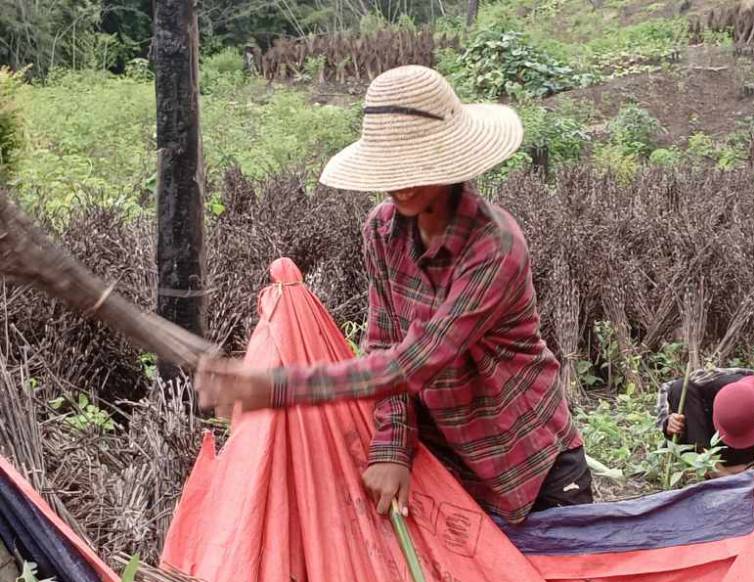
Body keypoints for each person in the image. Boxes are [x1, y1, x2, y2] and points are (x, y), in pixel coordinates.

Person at [195, 66, 591, 524]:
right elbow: (385, 340)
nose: (401, 181)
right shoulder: (382, 230)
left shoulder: (494, 246)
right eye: (391, 166)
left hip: (525, 461)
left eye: (416, 164)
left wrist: (279, 387)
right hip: (447, 467)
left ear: (450, 161)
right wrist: (392, 445)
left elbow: (416, 361)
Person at [656, 368, 754, 475]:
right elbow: (667, 388)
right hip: (714, 451)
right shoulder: (709, 382)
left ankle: (733, 473)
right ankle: (714, 470)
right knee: (680, 388)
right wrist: (668, 422)